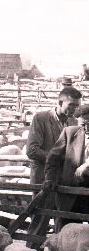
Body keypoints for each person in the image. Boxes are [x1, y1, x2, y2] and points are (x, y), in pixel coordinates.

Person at [25, 89, 82, 239]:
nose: (74, 109)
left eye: (77, 106)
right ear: (60, 102)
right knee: (40, 221)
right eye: (71, 105)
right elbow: (32, 149)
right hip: (43, 178)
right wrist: (57, 159)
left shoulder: (74, 123)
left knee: (62, 224)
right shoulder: (41, 119)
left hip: (65, 181)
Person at [43, 104, 89, 231]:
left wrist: (86, 165)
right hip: (71, 191)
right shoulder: (69, 133)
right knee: (67, 232)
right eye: (83, 125)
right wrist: (50, 179)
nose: (86, 128)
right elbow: (53, 158)